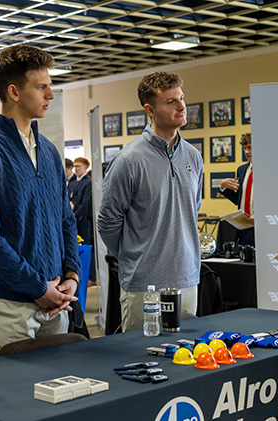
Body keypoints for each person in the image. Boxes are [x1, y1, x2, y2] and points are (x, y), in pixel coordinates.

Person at [0, 45, 81, 359]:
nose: (50, 95)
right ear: (14, 91)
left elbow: (64, 219)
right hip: (6, 308)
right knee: (13, 404)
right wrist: (37, 288)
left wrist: (71, 275)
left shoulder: (50, 152)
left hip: (56, 305)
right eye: (41, 87)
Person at [98, 71, 203, 333]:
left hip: (187, 279)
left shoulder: (193, 156)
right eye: (170, 102)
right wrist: (133, 253)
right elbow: (107, 223)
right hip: (144, 285)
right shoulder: (129, 161)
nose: (181, 107)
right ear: (150, 109)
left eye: (181, 98)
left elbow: (193, 209)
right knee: (141, 359)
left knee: (186, 360)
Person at [220, 132, 255, 246]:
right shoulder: (242, 170)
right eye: (245, 148)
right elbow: (240, 199)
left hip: (263, 225)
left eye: (249, 148)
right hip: (243, 227)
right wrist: (224, 186)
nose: (246, 152)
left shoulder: (269, 169)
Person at [68, 158, 93, 244]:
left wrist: (75, 215)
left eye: (78, 166)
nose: (76, 168)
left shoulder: (88, 182)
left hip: (83, 219)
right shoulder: (72, 183)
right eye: (75, 166)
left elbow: (85, 203)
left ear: (85, 167)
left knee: (84, 244)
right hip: (73, 218)